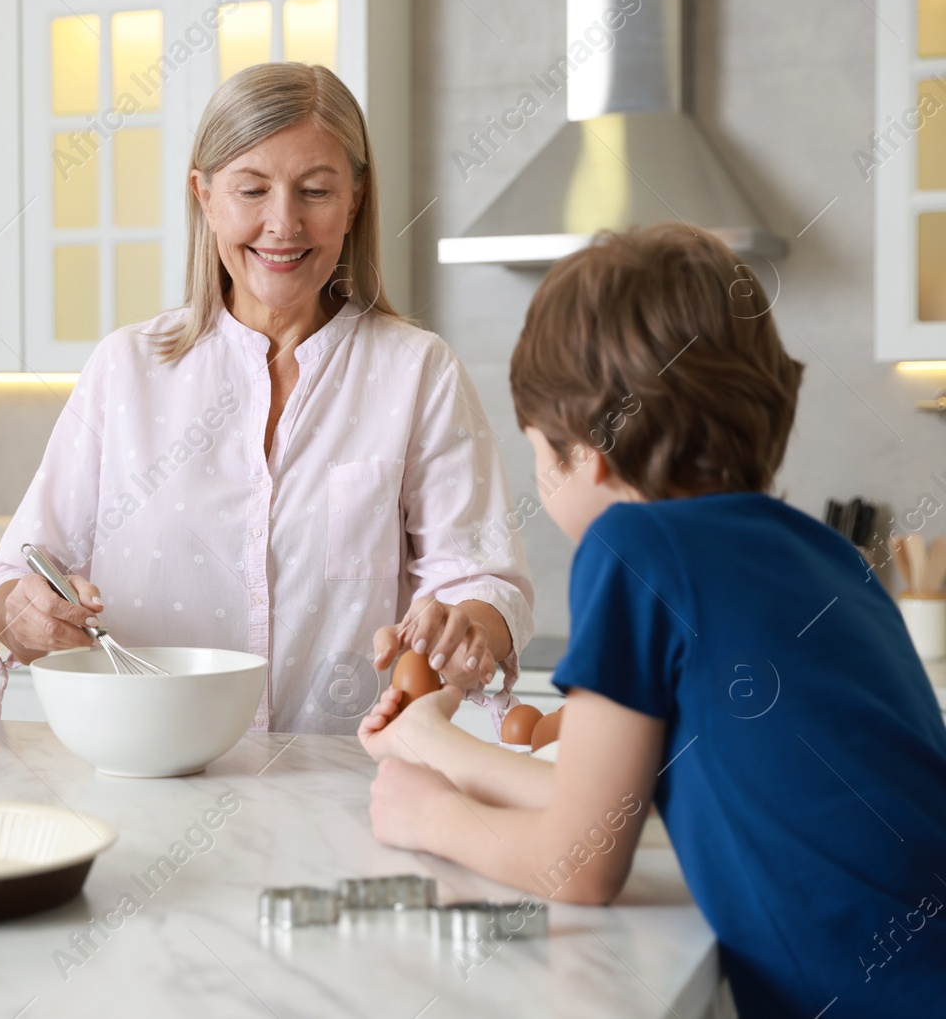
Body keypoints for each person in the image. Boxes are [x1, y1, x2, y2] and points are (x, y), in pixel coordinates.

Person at [359, 223, 946, 1015]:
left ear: (587, 451)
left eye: (536, 447)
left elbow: (581, 861)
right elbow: (599, 801)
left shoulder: (635, 547)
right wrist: (431, 742)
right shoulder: (825, 555)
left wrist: (427, 815)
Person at [0, 62, 533, 734]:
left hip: (345, 803)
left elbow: (485, 580)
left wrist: (467, 627)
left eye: (316, 190)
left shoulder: (418, 373)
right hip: (146, 788)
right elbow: (16, 577)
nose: (283, 223)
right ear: (204, 195)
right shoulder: (124, 370)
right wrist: (28, 611)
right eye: (252, 189)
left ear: (355, 199)